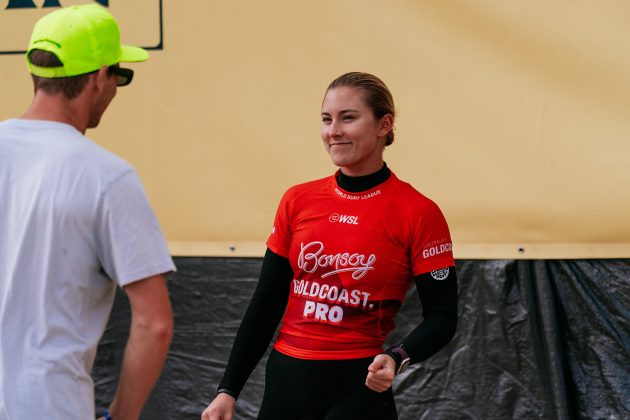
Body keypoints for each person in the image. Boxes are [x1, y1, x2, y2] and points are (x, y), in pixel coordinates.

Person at [201, 72, 458, 420]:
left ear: (385, 125)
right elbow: (266, 303)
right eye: (326, 119)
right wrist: (227, 390)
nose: (333, 131)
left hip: (358, 389)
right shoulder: (298, 200)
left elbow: (443, 316)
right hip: (287, 383)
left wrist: (398, 356)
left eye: (348, 118)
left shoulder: (418, 212)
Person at [0, 5, 175, 420]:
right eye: (120, 75)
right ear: (99, 78)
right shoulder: (108, 178)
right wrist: (122, 415)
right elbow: (155, 324)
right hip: (50, 407)